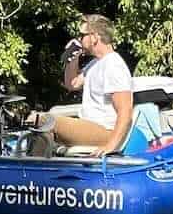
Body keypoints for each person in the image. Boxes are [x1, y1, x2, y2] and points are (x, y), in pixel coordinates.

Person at [35, 14, 134, 156]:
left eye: (82, 35)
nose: (79, 39)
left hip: (105, 131)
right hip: (89, 126)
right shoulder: (95, 64)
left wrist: (110, 145)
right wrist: (73, 58)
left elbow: (125, 112)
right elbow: (72, 83)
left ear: (94, 37)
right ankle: (38, 167)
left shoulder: (114, 65)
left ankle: (31, 170)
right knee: (38, 122)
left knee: (43, 120)